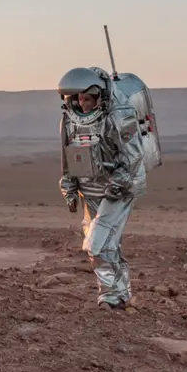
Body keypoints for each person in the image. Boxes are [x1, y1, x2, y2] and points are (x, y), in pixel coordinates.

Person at [57, 67, 148, 310]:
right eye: (79, 99)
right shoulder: (68, 120)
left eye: (88, 99)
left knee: (97, 244)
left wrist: (117, 183)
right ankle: (120, 295)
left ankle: (110, 297)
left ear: (101, 96)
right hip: (88, 189)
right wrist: (68, 188)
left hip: (117, 188)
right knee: (106, 245)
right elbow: (67, 157)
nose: (83, 105)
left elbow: (133, 157)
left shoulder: (120, 117)